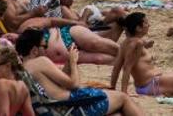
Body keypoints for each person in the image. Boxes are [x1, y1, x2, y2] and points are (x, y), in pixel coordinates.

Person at [15, 28, 143, 116]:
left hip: (53, 109)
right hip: (72, 107)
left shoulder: (21, 69)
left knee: (116, 113)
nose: (46, 49)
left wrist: (68, 64)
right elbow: (73, 84)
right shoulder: (40, 61)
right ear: (34, 50)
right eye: (44, 46)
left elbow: (57, 83)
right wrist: (73, 62)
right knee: (123, 98)